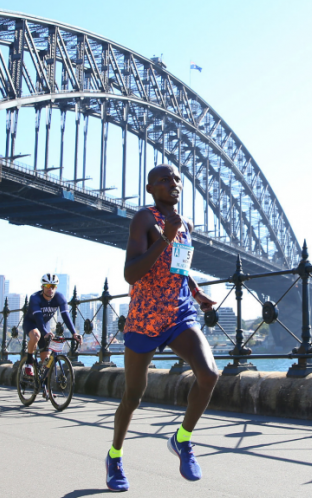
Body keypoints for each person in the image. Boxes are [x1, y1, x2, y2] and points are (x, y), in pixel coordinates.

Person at [106, 164, 218, 492]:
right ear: (151, 188)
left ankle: (182, 440)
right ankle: (115, 456)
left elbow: (180, 265)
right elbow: (131, 273)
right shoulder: (145, 219)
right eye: (165, 180)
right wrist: (163, 239)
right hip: (144, 318)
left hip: (179, 315)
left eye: (178, 179)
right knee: (133, 395)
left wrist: (197, 295)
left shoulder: (186, 226)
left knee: (209, 375)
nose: (174, 183)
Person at [22, 273, 82, 376]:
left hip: (44, 325)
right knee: (36, 335)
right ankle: (29, 362)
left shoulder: (59, 297)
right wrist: (45, 332)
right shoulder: (35, 298)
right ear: (42, 287)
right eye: (48, 286)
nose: (51, 289)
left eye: (53, 286)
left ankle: (45, 389)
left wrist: (74, 333)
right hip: (31, 323)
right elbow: (38, 318)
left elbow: (65, 315)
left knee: (47, 362)